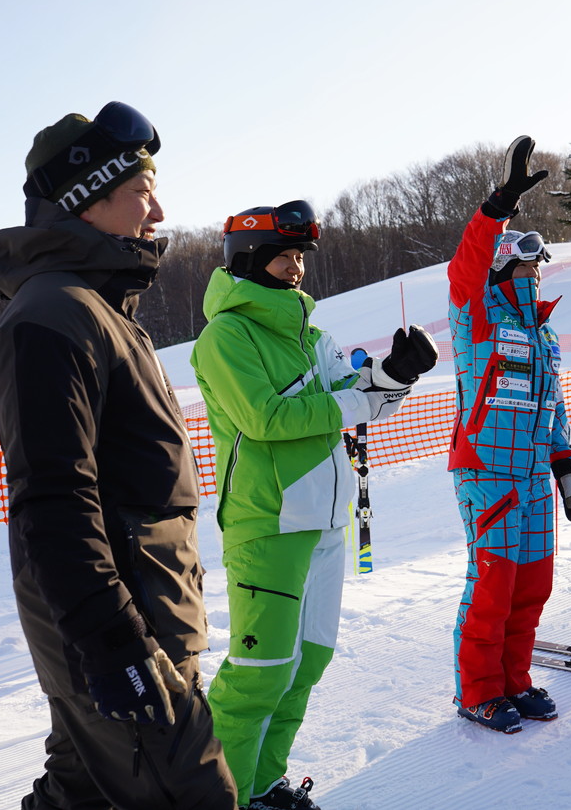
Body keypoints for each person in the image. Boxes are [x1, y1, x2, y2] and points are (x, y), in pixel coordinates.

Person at [0, 102, 237, 809]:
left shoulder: (96, 310)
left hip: (145, 607)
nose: (157, 211)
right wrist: (114, 644)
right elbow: (54, 500)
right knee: (191, 794)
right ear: (87, 203)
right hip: (123, 626)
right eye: (140, 193)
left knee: (83, 791)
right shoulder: (50, 317)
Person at [191, 201, 436, 809]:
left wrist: (394, 377)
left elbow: (357, 397)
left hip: (327, 521)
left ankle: (263, 783)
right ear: (249, 260)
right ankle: (219, 796)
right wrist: (357, 401)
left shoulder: (312, 334)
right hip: (267, 524)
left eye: (301, 256)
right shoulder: (226, 335)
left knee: (307, 665)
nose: (298, 268)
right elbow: (266, 418)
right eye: (285, 256)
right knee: (258, 675)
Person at [447, 136, 571, 735]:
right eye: (526, 264)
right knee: (493, 583)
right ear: (503, 269)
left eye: (538, 265)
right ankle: (477, 690)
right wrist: (498, 205)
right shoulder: (477, 319)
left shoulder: (544, 335)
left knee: (533, 583)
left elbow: (552, 408)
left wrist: (565, 467)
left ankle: (514, 681)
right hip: (488, 471)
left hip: (532, 474)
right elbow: (465, 266)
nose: (535, 272)